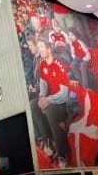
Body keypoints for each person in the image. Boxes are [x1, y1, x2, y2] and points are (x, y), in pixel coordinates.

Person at [31, 37, 72, 167]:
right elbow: (43, 84)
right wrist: (41, 98)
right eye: (39, 47)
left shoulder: (59, 64)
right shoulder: (42, 64)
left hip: (63, 103)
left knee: (50, 111)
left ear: (49, 49)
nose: (40, 50)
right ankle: (48, 142)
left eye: (42, 47)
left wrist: (48, 100)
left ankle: (62, 156)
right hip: (51, 100)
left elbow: (64, 93)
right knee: (33, 105)